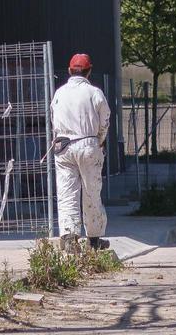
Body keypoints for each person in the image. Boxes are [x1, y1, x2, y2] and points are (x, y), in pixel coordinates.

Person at [50, 52, 111, 251]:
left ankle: (69, 237)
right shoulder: (94, 93)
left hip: (63, 146)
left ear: (69, 71)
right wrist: (100, 140)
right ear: (89, 71)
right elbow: (105, 120)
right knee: (91, 191)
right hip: (88, 144)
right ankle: (93, 239)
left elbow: (54, 120)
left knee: (67, 192)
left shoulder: (59, 93)